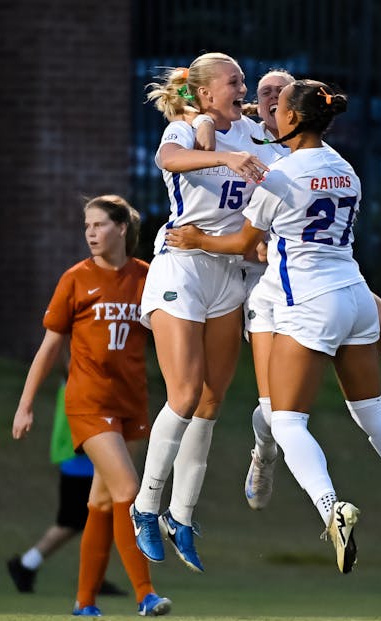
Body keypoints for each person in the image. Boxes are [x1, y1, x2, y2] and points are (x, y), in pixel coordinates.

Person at [167, 79, 381, 572]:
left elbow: (242, 244)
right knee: (371, 410)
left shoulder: (279, 176)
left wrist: (195, 239)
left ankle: (331, 507)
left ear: (294, 120)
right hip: (356, 295)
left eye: (277, 109)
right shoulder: (346, 169)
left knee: (286, 420)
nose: (270, 116)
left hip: (311, 302)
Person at [129, 52, 280, 573]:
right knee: (185, 393)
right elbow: (168, 162)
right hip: (182, 266)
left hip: (229, 273)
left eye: (244, 81)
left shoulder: (257, 136)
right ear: (204, 92)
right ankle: (145, 507)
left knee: (212, 399)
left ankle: (182, 515)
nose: (244, 88)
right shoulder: (187, 126)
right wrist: (222, 157)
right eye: (234, 81)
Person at [11, 194, 171, 617]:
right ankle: (145, 594)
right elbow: (49, 348)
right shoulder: (75, 279)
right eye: (87, 226)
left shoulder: (146, 276)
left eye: (99, 225)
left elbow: (170, 334)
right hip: (88, 402)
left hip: (132, 402)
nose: (90, 233)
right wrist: (25, 405)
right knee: (128, 492)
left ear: (121, 229)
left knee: (101, 502)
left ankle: (84, 603)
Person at [6, 380, 125, 597]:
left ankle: (92, 576)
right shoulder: (77, 375)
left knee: (96, 517)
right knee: (74, 521)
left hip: (88, 455)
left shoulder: (92, 373)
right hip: (80, 457)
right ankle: (26, 564)